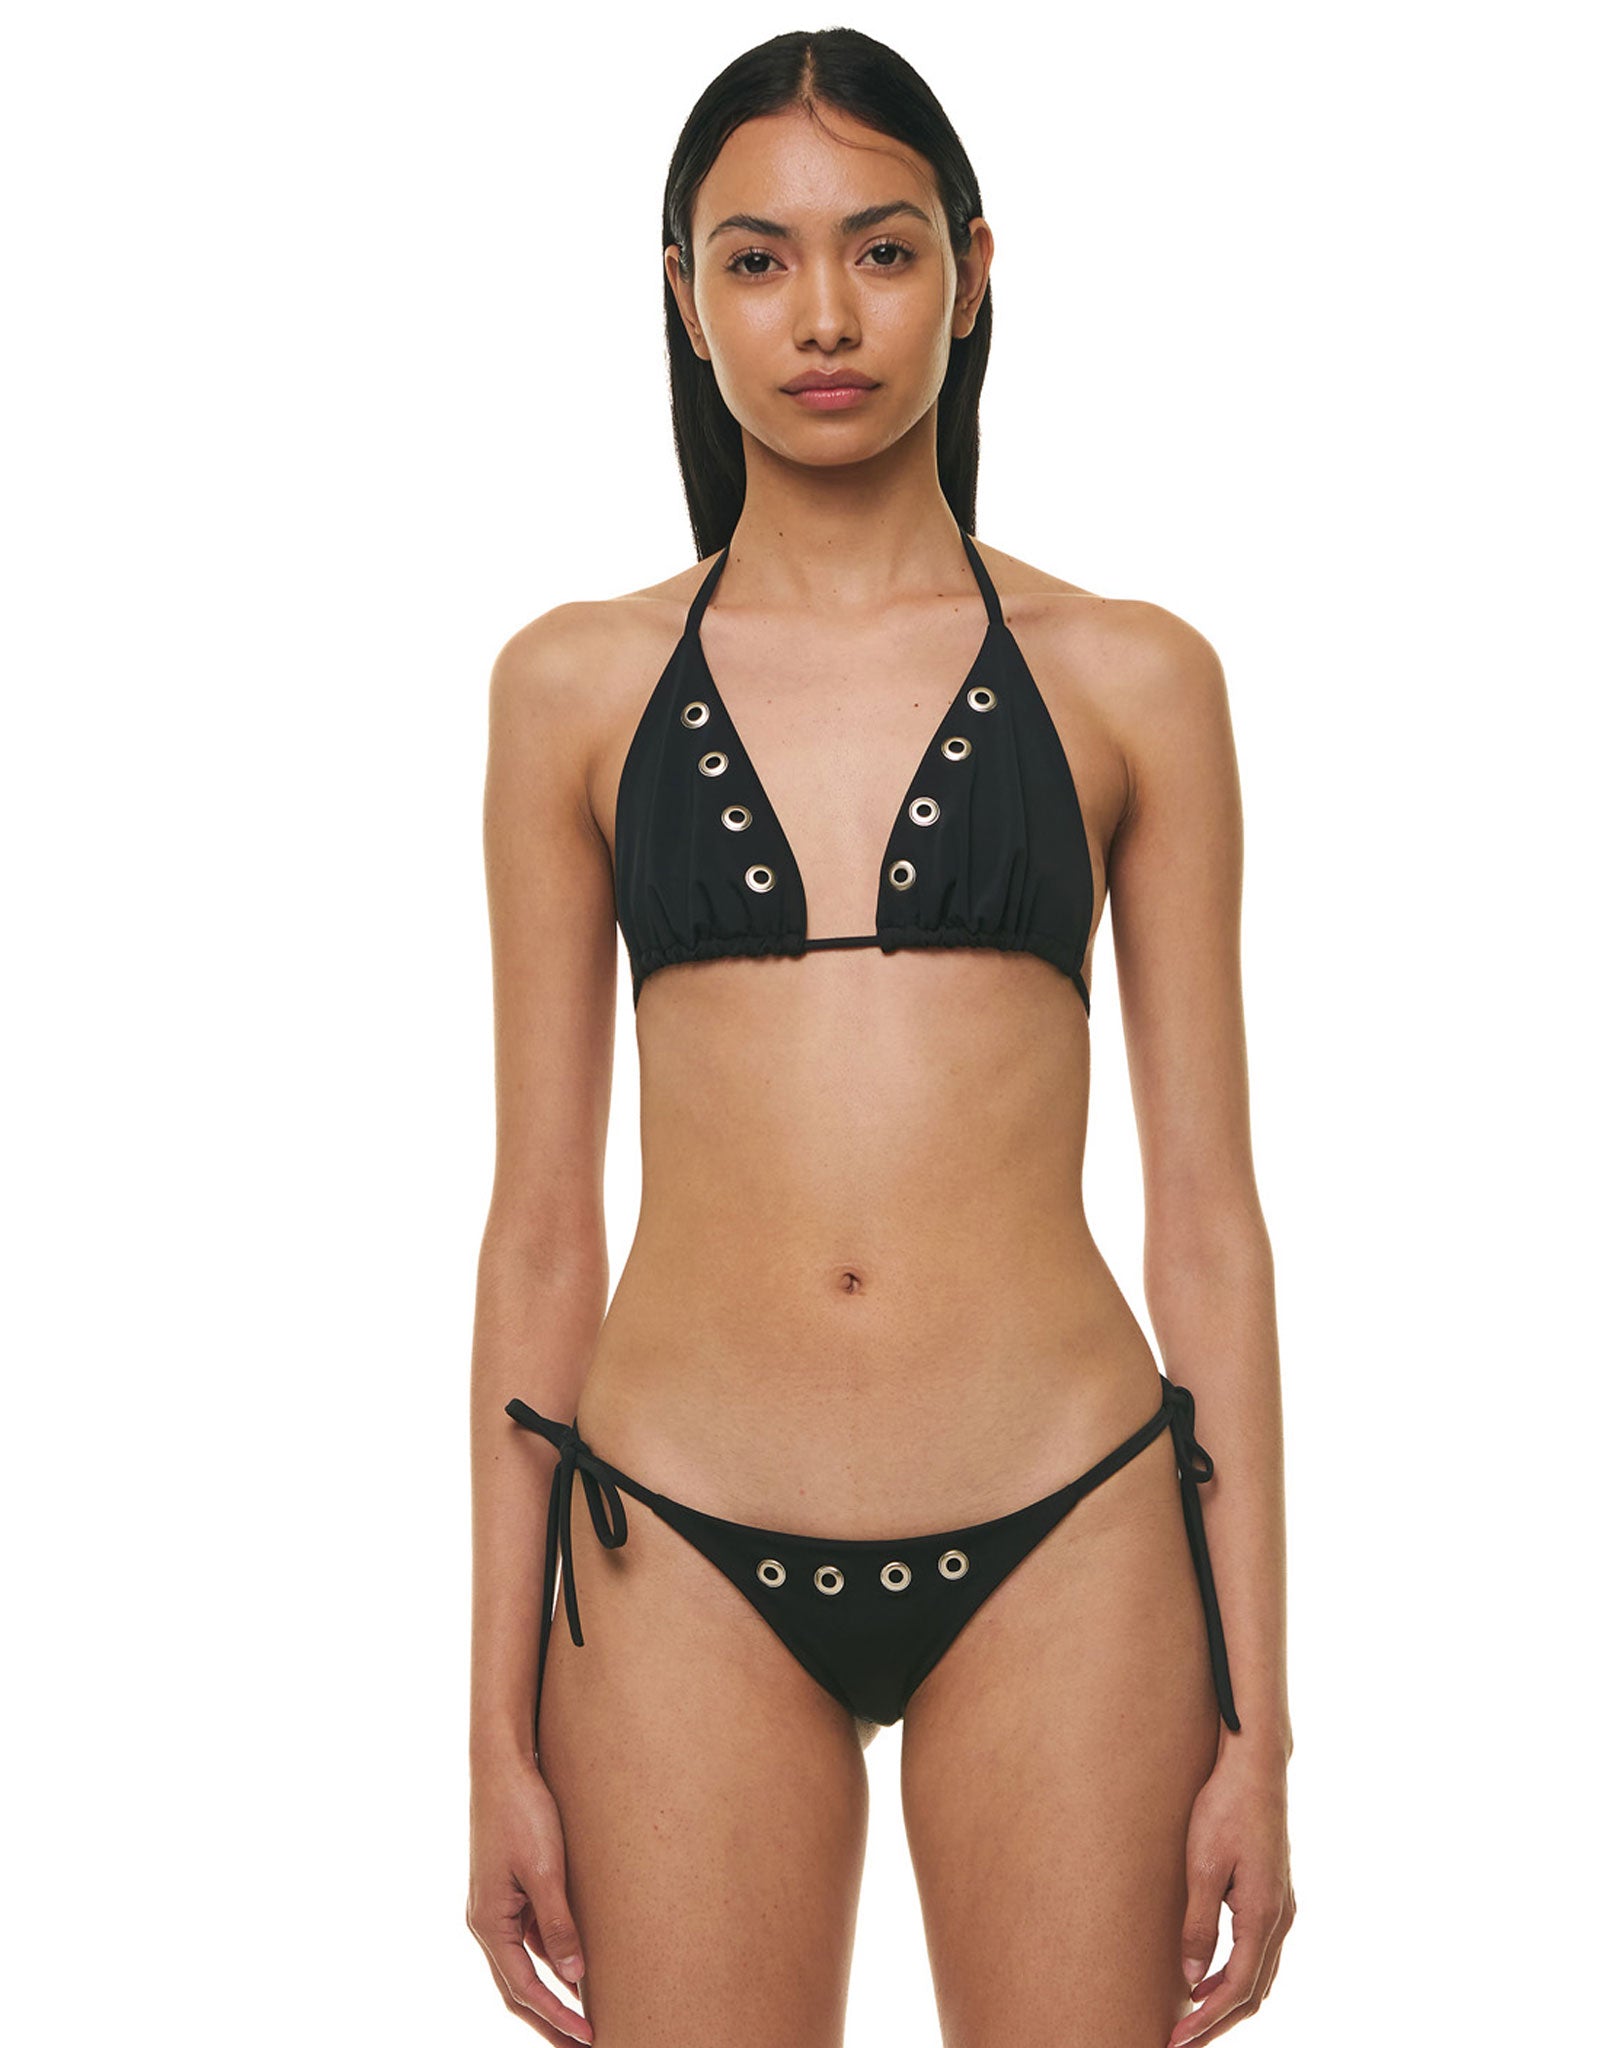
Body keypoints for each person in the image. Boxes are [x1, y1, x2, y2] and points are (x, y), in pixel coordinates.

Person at [467, 27, 1294, 2048]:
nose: (821, 316)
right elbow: (541, 1222)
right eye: (755, 260)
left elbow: (1207, 1218)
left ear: (973, 271)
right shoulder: (571, 689)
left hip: (1070, 1524)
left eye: (882, 250)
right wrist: (490, 1726)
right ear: (683, 298)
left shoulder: (1134, 680)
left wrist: (1260, 1729)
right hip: (669, 1540)